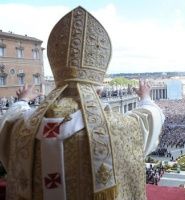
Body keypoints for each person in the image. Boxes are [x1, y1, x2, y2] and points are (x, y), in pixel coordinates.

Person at [0, 6, 164, 200]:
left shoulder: (23, 126)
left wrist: (22, 100)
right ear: (97, 87)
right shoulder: (114, 127)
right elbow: (149, 119)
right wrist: (145, 97)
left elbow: (8, 122)